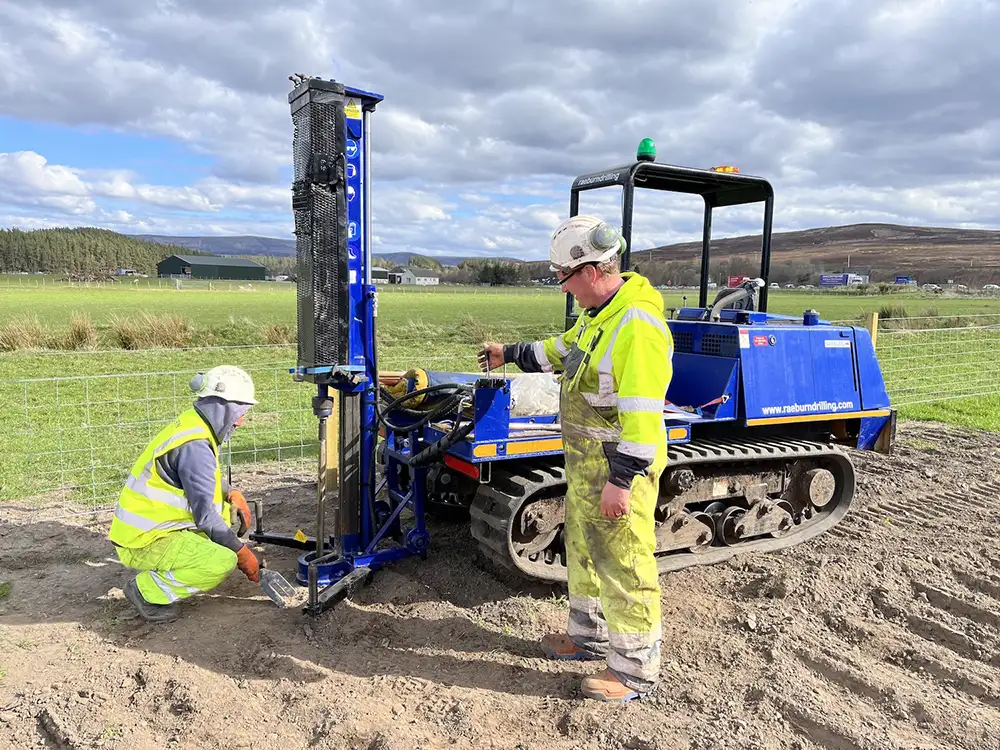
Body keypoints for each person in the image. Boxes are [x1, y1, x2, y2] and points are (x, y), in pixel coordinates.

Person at [479, 215, 673, 702]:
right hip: (587, 468)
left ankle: (633, 672)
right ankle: (588, 637)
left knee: (625, 563)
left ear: (589, 272)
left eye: (564, 279)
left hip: (615, 471)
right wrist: (509, 352)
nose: (564, 289)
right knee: (585, 552)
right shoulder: (600, 315)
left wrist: (623, 481)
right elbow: (561, 351)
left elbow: (645, 418)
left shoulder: (637, 326)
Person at [108, 365, 262, 623]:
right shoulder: (196, 446)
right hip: (145, 540)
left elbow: (198, 477)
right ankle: (147, 591)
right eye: (239, 412)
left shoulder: (194, 424)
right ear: (222, 405)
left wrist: (232, 492)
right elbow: (206, 519)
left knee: (225, 524)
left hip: (151, 527)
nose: (240, 421)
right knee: (221, 560)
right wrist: (242, 553)